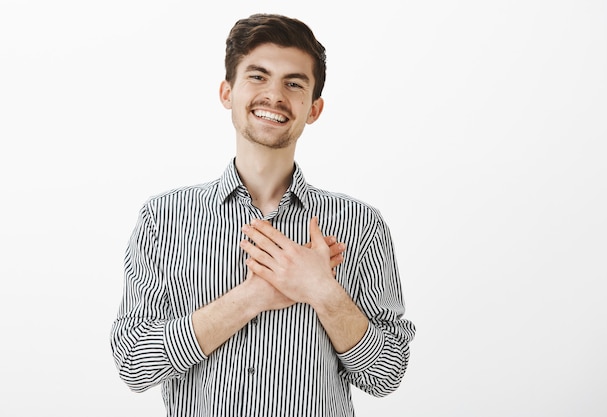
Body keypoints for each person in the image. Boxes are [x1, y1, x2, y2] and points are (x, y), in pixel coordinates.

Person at [110, 13, 416, 417]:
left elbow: (387, 375)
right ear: (227, 92)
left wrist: (322, 291)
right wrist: (250, 298)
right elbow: (133, 363)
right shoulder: (164, 219)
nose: (274, 95)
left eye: (293, 83)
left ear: (314, 108)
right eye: (257, 76)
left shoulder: (360, 225)